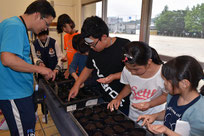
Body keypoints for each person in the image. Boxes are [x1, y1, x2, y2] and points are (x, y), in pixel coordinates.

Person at [0, 1, 56, 135]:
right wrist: (40, 69)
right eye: (46, 23)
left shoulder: (18, 26)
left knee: (29, 130)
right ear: (37, 15)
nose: (45, 28)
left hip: (21, 92)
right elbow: (7, 59)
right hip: (15, 93)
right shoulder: (15, 26)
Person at [68, 16, 130, 115]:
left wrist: (114, 77)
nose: (91, 48)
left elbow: (133, 73)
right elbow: (88, 68)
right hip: (103, 97)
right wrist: (77, 85)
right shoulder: (94, 50)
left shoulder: (125, 46)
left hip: (123, 100)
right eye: (89, 45)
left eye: (93, 44)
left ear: (104, 37)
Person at [137, 56, 204, 136]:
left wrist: (166, 131)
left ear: (184, 84)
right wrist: (155, 116)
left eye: (167, 81)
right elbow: (170, 112)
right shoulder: (173, 95)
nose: (164, 83)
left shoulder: (199, 112)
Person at [107, 41, 167, 125]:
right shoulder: (127, 70)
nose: (132, 73)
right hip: (134, 114)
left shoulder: (163, 73)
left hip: (154, 117)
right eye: (129, 69)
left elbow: (165, 96)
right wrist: (118, 98)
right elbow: (128, 87)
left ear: (148, 62)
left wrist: (149, 104)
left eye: (136, 69)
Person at [31, 29, 63, 123]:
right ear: (37, 35)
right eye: (40, 36)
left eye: (44, 35)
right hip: (41, 75)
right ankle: (45, 113)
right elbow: (34, 57)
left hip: (54, 73)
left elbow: (60, 56)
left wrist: (56, 70)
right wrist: (40, 64)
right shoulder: (34, 44)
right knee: (42, 95)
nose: (43, 38)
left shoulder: (54, 42)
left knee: (55, 93)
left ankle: (57, 113)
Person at [57, 14, 79, 79]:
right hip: (70, 69)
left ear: (70, 23)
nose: (64, 29)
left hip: (78, 69)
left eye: (65, 26)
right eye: (62, 28)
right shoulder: (65, 37)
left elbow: (81, 54)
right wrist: (66, 57)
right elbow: (69, 51)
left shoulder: (79, 36)